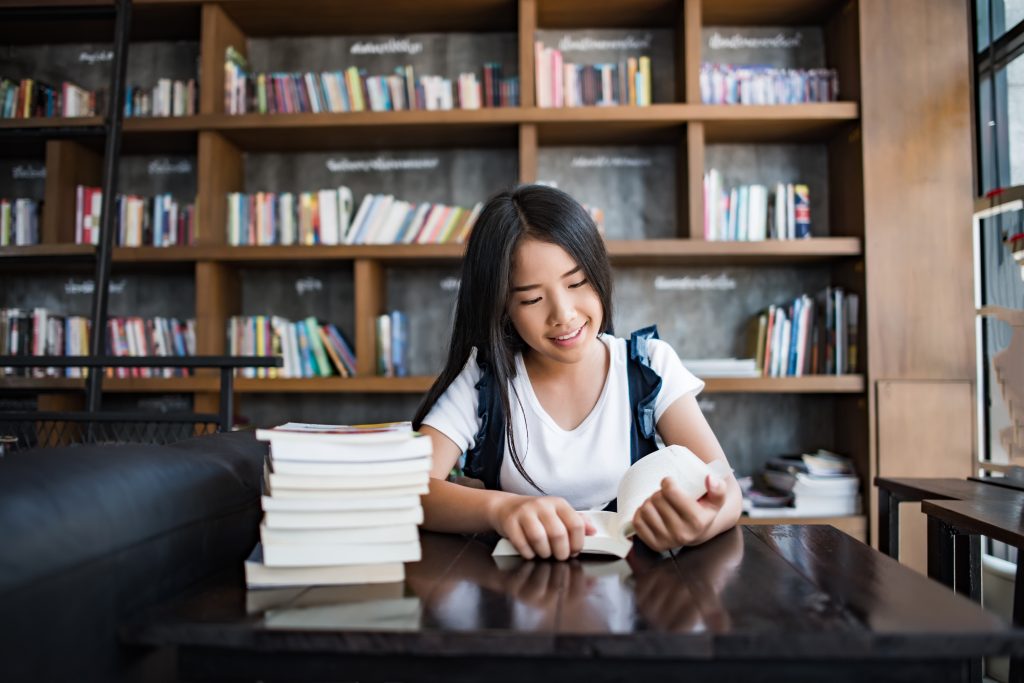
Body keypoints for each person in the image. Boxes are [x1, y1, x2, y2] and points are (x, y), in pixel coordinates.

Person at [413, 184, 742, 560]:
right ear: (502, 307)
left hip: (638, 593)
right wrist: (500, 509)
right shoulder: (485, 380)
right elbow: (412, 489)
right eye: (532, 299)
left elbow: (728, 492)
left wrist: (701, 524)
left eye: (577, 282)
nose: (563, 314)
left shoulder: (648, 364)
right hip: (518, 595)